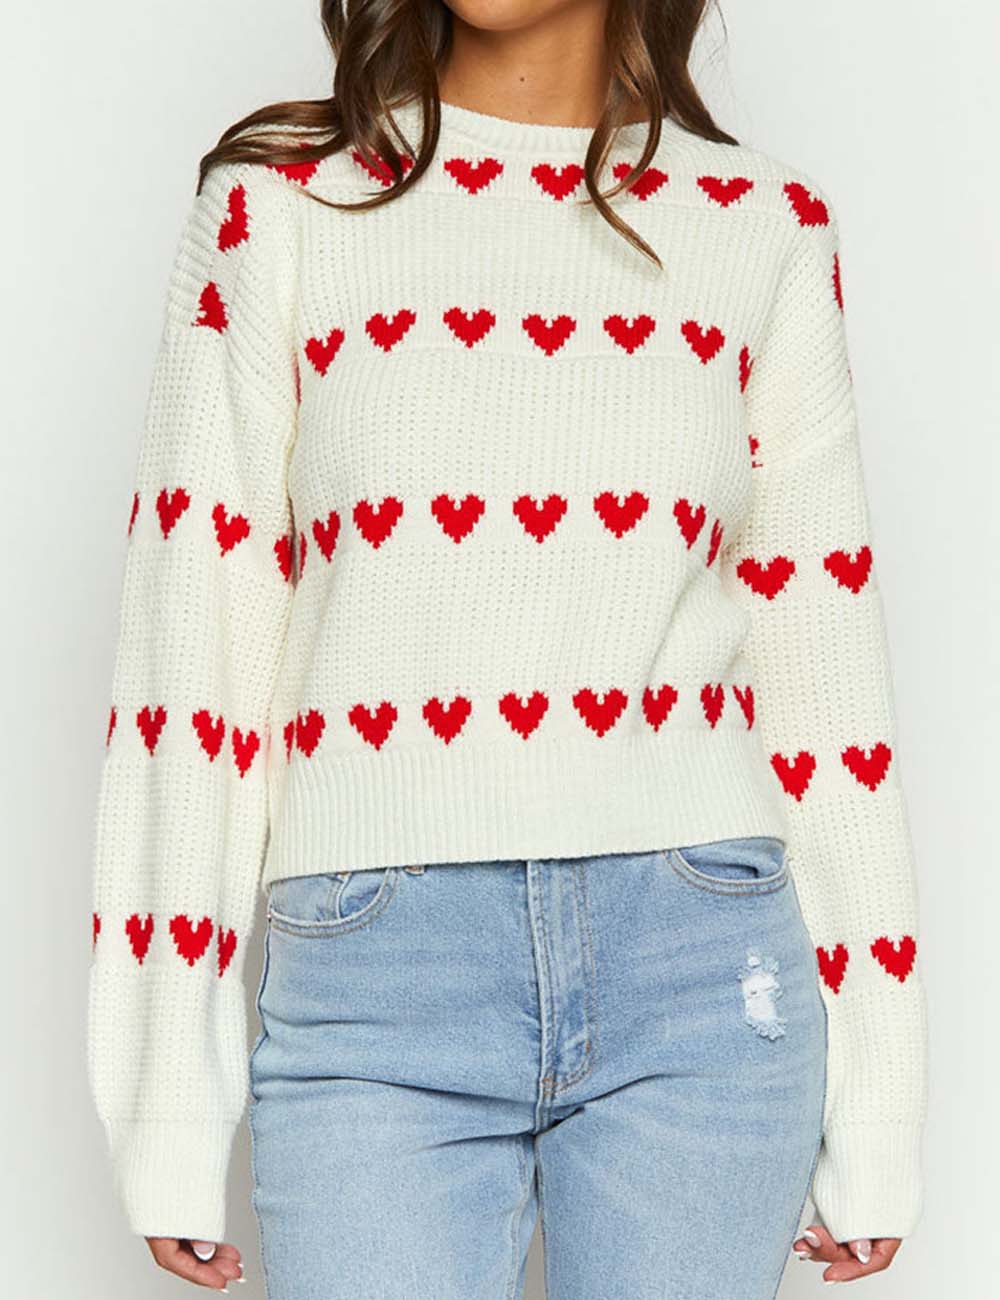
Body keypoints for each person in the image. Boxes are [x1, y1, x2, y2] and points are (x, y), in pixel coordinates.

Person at [86, 2, 928, 1296]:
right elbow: (189, 653)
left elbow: (826, 668)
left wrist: (880, 1097)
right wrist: (165, 1102)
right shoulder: (278, 212)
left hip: (702, 975)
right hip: (377, 976)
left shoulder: (762, 228)